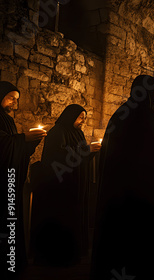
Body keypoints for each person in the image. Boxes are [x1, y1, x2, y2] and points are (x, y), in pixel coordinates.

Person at [91, 75, 154, 279]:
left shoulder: (119, 116)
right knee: (141, 251)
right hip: (143, 202)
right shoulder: (150, 119)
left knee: (120, 246)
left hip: (118, 199)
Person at [31, 104, 100, 266]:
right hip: (62, 186)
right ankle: (59, 255)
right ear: (71, 116)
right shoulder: (57, 132)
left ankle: (75, 252)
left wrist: (91, 152)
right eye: (80, 117)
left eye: (84, 117)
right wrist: (86, 150)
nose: (83, 121)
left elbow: (81, 157)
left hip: (77, 183)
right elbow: (60, 156)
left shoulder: (79, 133)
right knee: (63, 217)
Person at [0, 81, 45, 278]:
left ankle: (11, 262)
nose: (14, 104)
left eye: (16, 100)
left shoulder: (7, 120)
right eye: (11, 98)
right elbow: (3, 145)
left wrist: (30, 143)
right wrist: (22, 139)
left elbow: (14, 149)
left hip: (9, 179)